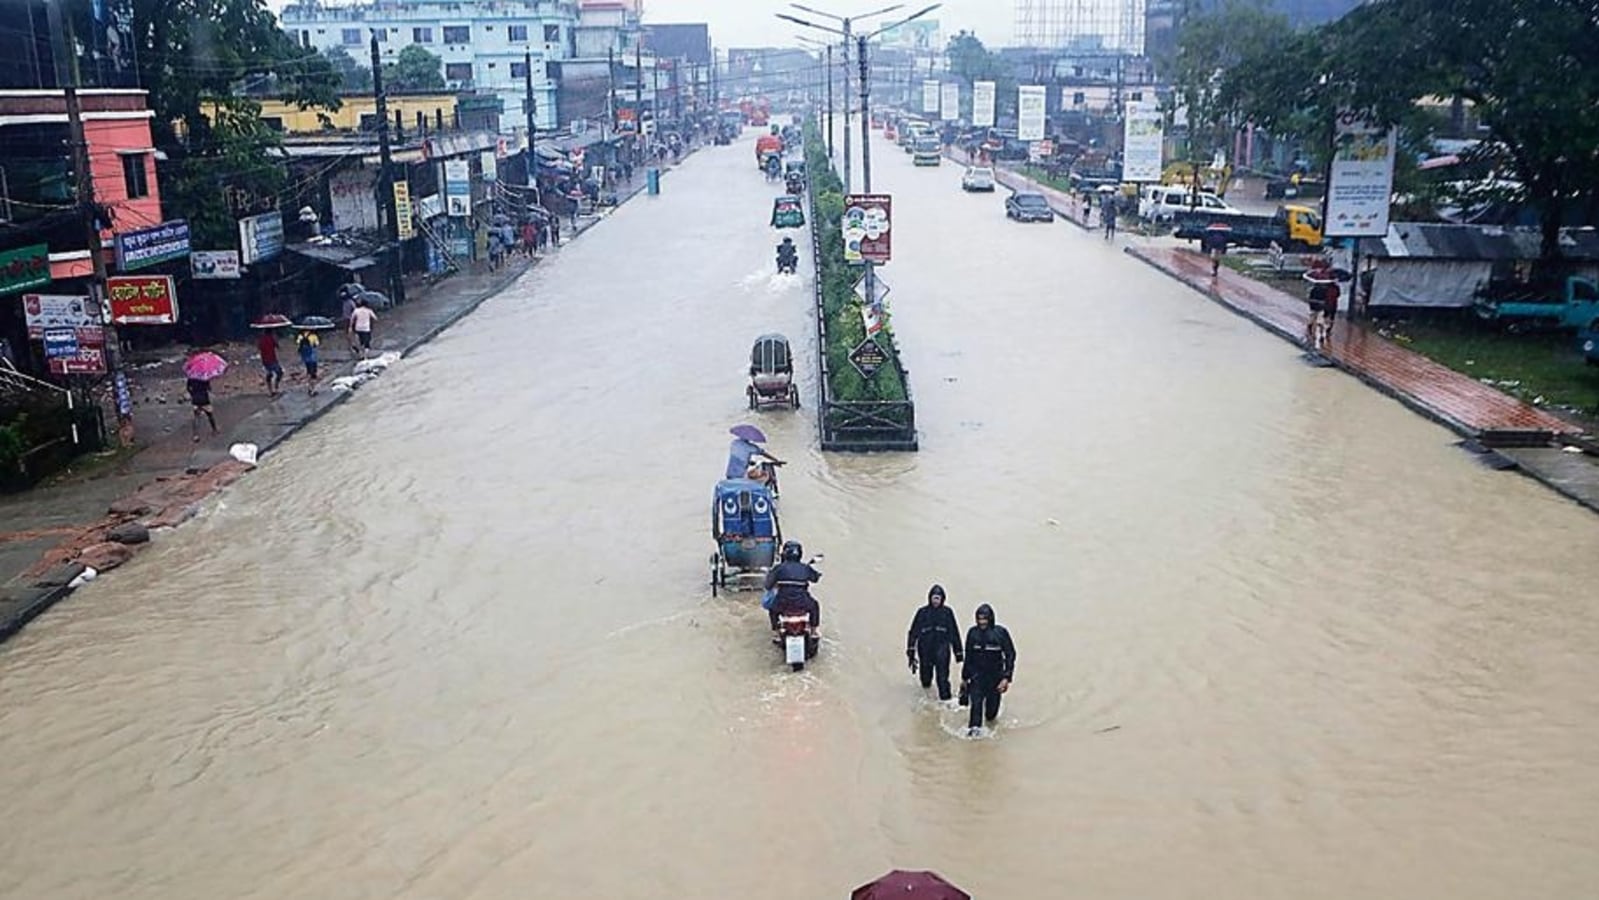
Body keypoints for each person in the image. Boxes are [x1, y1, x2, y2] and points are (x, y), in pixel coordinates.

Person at [960, 603, 1017, 736]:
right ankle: (974, 743)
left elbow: (1010, 654)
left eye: (985, 619)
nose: (982, 622)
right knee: (975, 712)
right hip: (977, 678)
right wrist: (964, 678)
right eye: (979, 619)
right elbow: (968, 657)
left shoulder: (1000, 633)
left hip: (995, 679)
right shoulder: (972, 633)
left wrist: (1006, 678)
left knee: (991, 716)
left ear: (990, 618)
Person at [907, 584, 964, 701]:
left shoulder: (947, 613)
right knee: (925, 680)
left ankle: (946, 701)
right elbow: (913, 632)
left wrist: (958, 653)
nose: (936, 600)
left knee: (942, 680)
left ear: (943, 598)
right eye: (934, 597)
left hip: (942, 650)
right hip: (925, 650)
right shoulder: (922, 613)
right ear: (929, 598)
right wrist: (911, 650)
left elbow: (954, 632)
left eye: (938, 598)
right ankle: (927, 701)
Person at [765, 540, 821, 633]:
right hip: (802, 602)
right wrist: (816, 574)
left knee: (772, 609)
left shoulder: (778, 568)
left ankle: (776, 632)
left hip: (783, 603)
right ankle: (814, 631)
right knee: (815, 606)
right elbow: (815, 579)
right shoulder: (805, 568)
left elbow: (767, 585)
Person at [186, 376, 218, 442]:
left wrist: (192, 394)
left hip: (195, 399)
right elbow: (209, 388)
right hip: (204, 399)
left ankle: (196, 434)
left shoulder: (191, 378)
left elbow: (188, 388)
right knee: (210, 415)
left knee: (196, 417)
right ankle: (214, 429)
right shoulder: (204, 377)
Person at [257, 328, 283, 397]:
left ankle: (270, 390)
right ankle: (276, 387)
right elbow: (278, 347)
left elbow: (259, 347)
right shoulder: (272, 338)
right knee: (279, 372)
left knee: (270, 374)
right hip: (272, 359)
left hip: (265, 360)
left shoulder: (262, 339)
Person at [296, 329, 320, 396]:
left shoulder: (300, 336)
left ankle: (309, 388)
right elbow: (317, 344)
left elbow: (298, 344)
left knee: (308, 372)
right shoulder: (313, 336)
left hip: (305, 358)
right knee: (313, 374)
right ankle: (313, 389)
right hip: (313, 358)